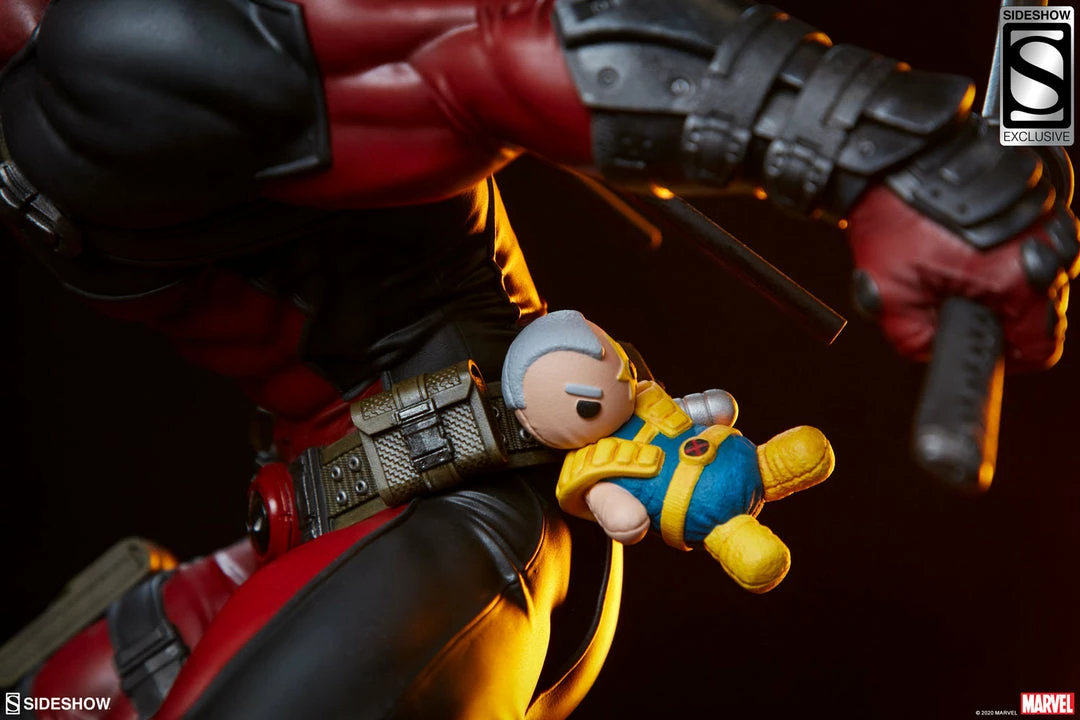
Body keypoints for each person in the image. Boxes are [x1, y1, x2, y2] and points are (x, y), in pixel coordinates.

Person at [0, 0, 1076, 717]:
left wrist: (894, 149)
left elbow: (490, 45)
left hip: (462, 509)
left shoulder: (129, 39)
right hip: (312, 515)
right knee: (48, 697)